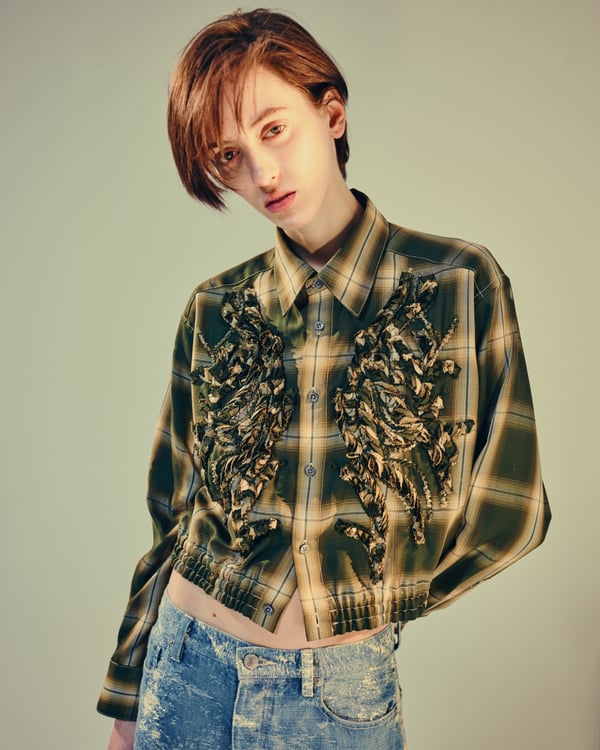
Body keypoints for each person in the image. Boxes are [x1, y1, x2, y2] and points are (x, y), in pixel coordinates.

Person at [98, 8, 551, 749]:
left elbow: (515, 507)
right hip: (181, 675)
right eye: (229, 156)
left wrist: (363, 612)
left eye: (274, 130)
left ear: (331, 113)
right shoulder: (214, 307)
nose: (262, 173)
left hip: (331, 698)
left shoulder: (459, 284)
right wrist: (127, 700)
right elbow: (171, 517)